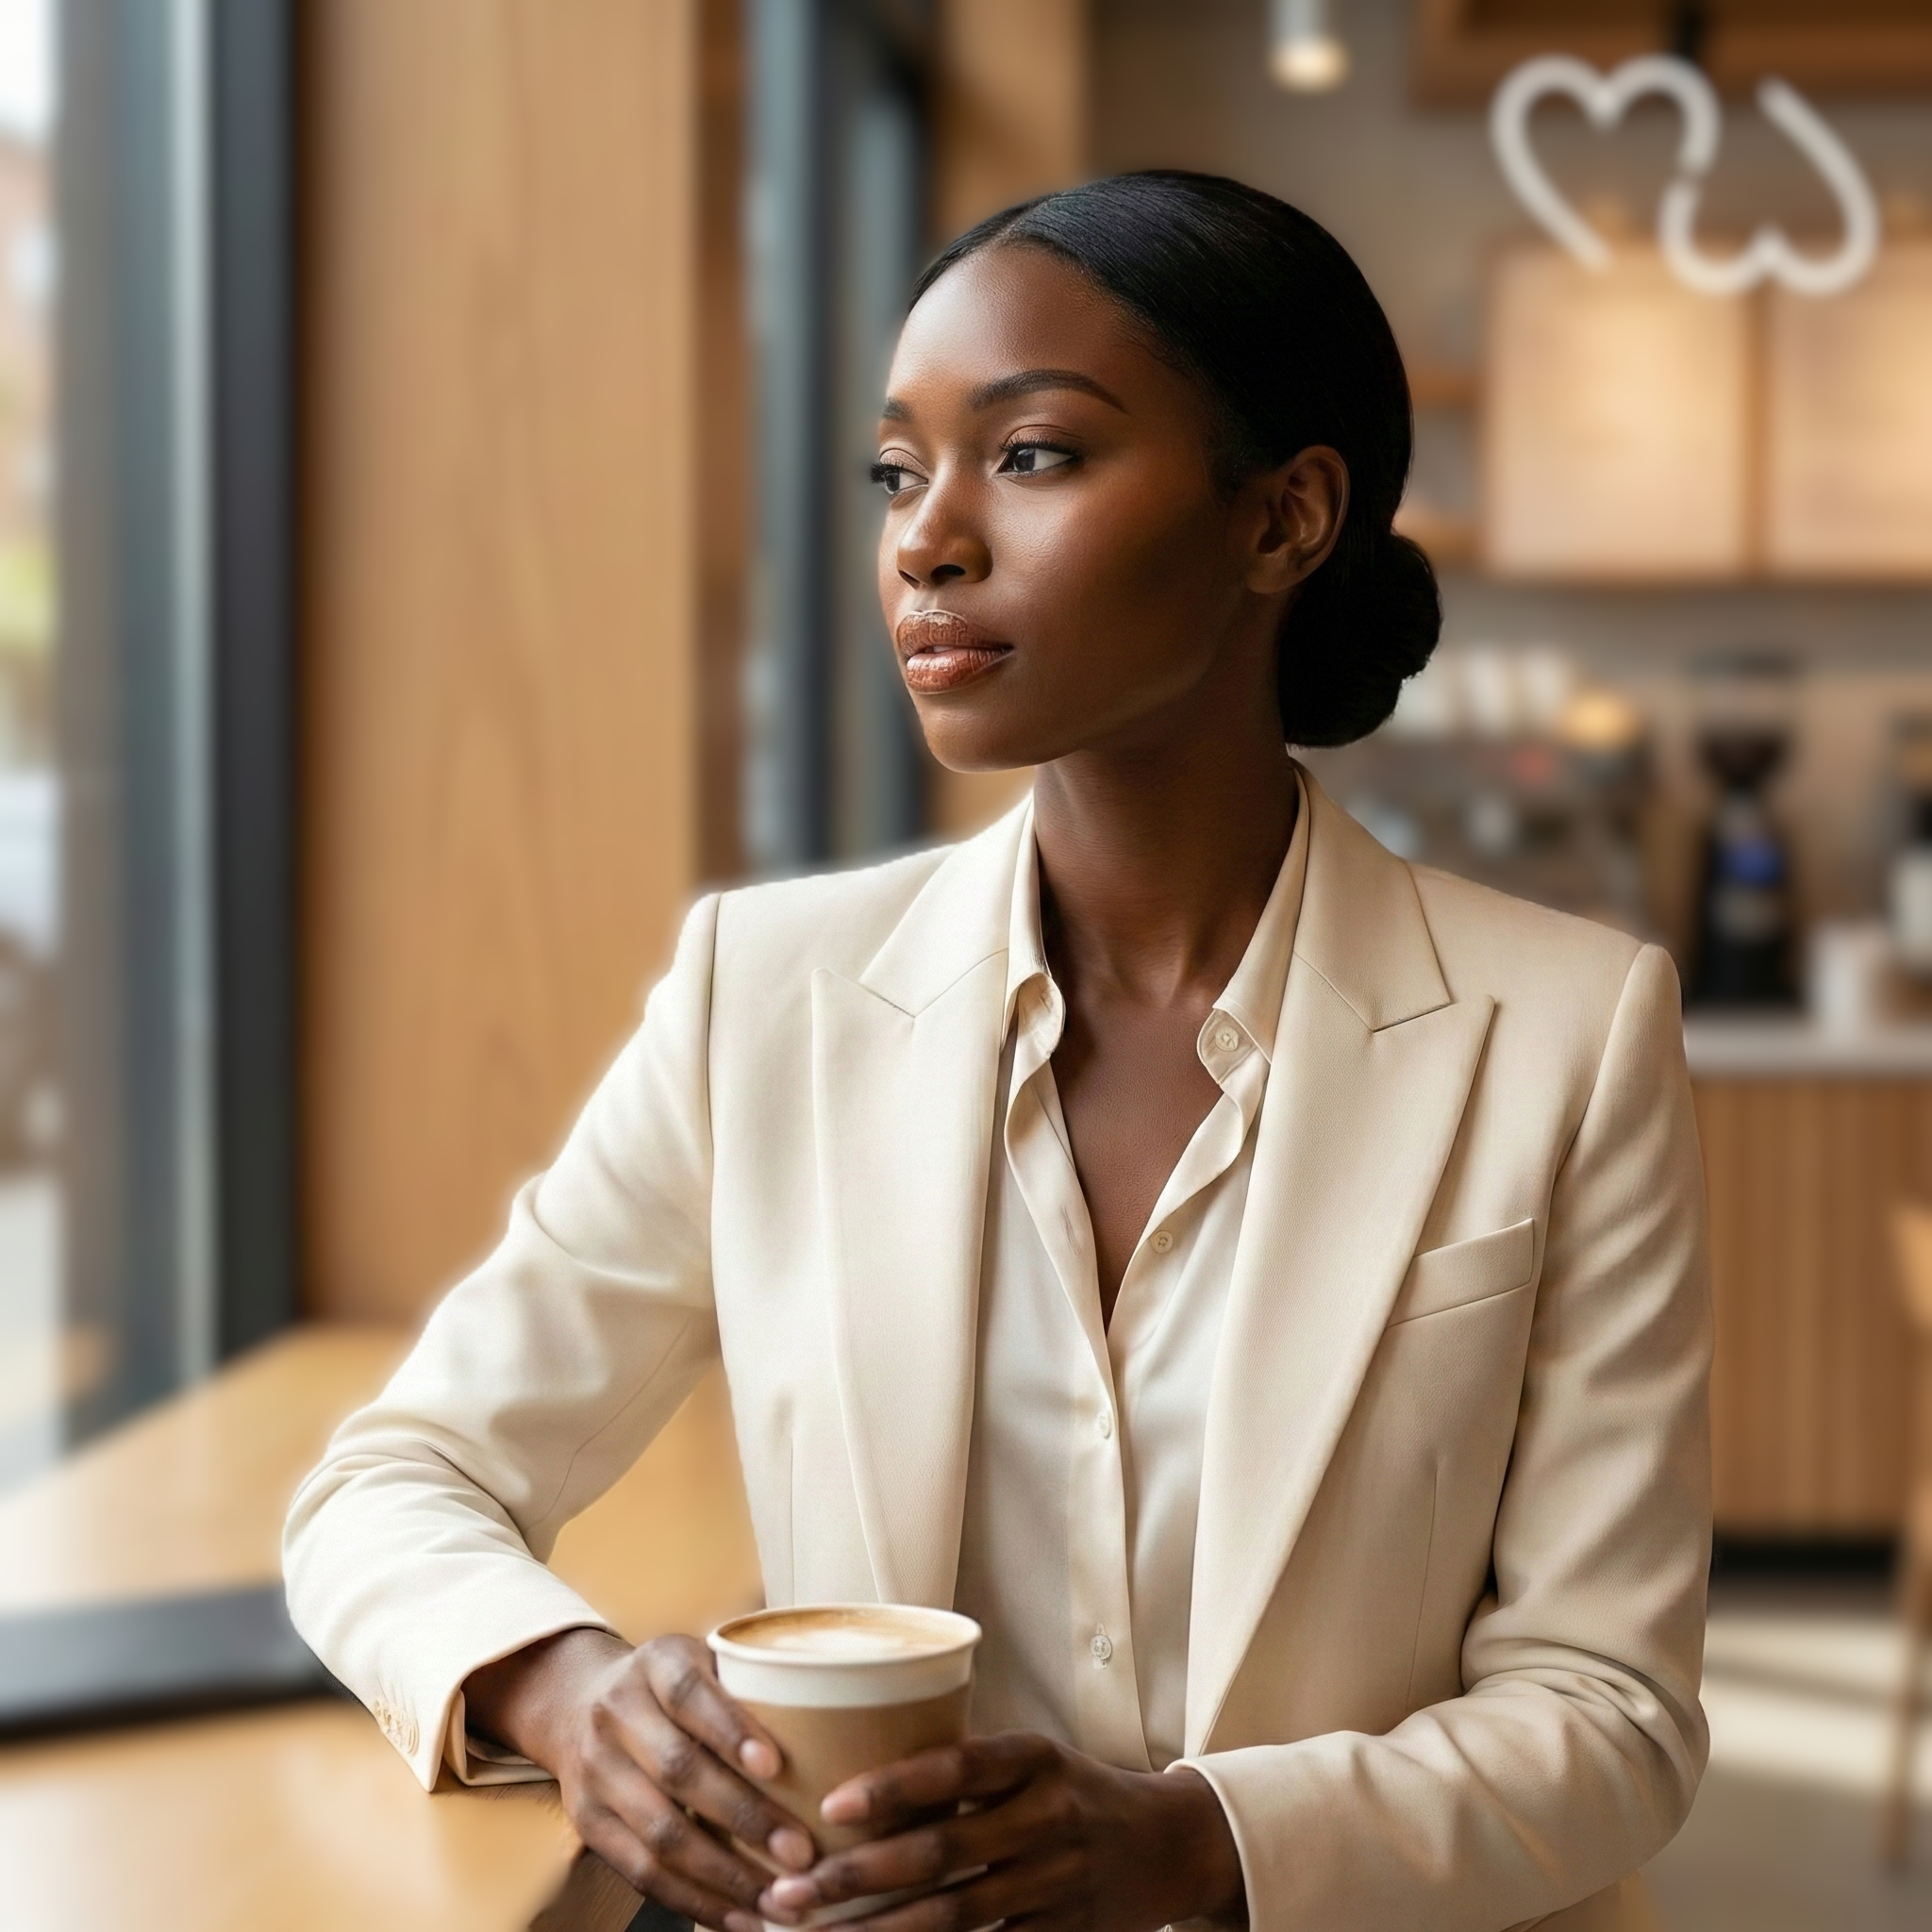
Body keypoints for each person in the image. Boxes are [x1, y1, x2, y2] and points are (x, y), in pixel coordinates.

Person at [286, 172, 1711, 1932]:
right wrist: (570, 1698)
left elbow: (1613, 1714)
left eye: (1030, 455)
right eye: (899, 473)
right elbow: (395, 1482)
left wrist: (1191, 1843)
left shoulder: (1567, 1034)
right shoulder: (770, 993)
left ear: (1286, 520)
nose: (924, 540)